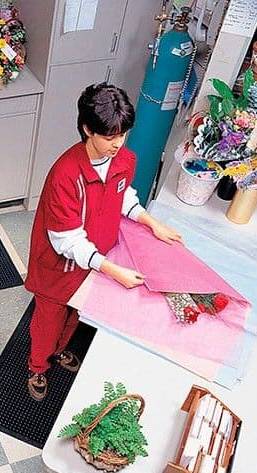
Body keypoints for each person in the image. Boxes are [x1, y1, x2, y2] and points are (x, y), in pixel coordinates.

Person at [25, 83, 182, 401]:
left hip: (96, 259)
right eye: (109, 137)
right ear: (87, 129)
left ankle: (60, 351)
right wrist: (114, 271)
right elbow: (67, 241)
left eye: (122, 135)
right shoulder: (65, 176)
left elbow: (124, 195)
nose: (117, 144)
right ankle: (38, 367)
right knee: (48, 320)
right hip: (60, 264)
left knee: (76, 312)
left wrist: (153, 223)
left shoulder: (125, 158)